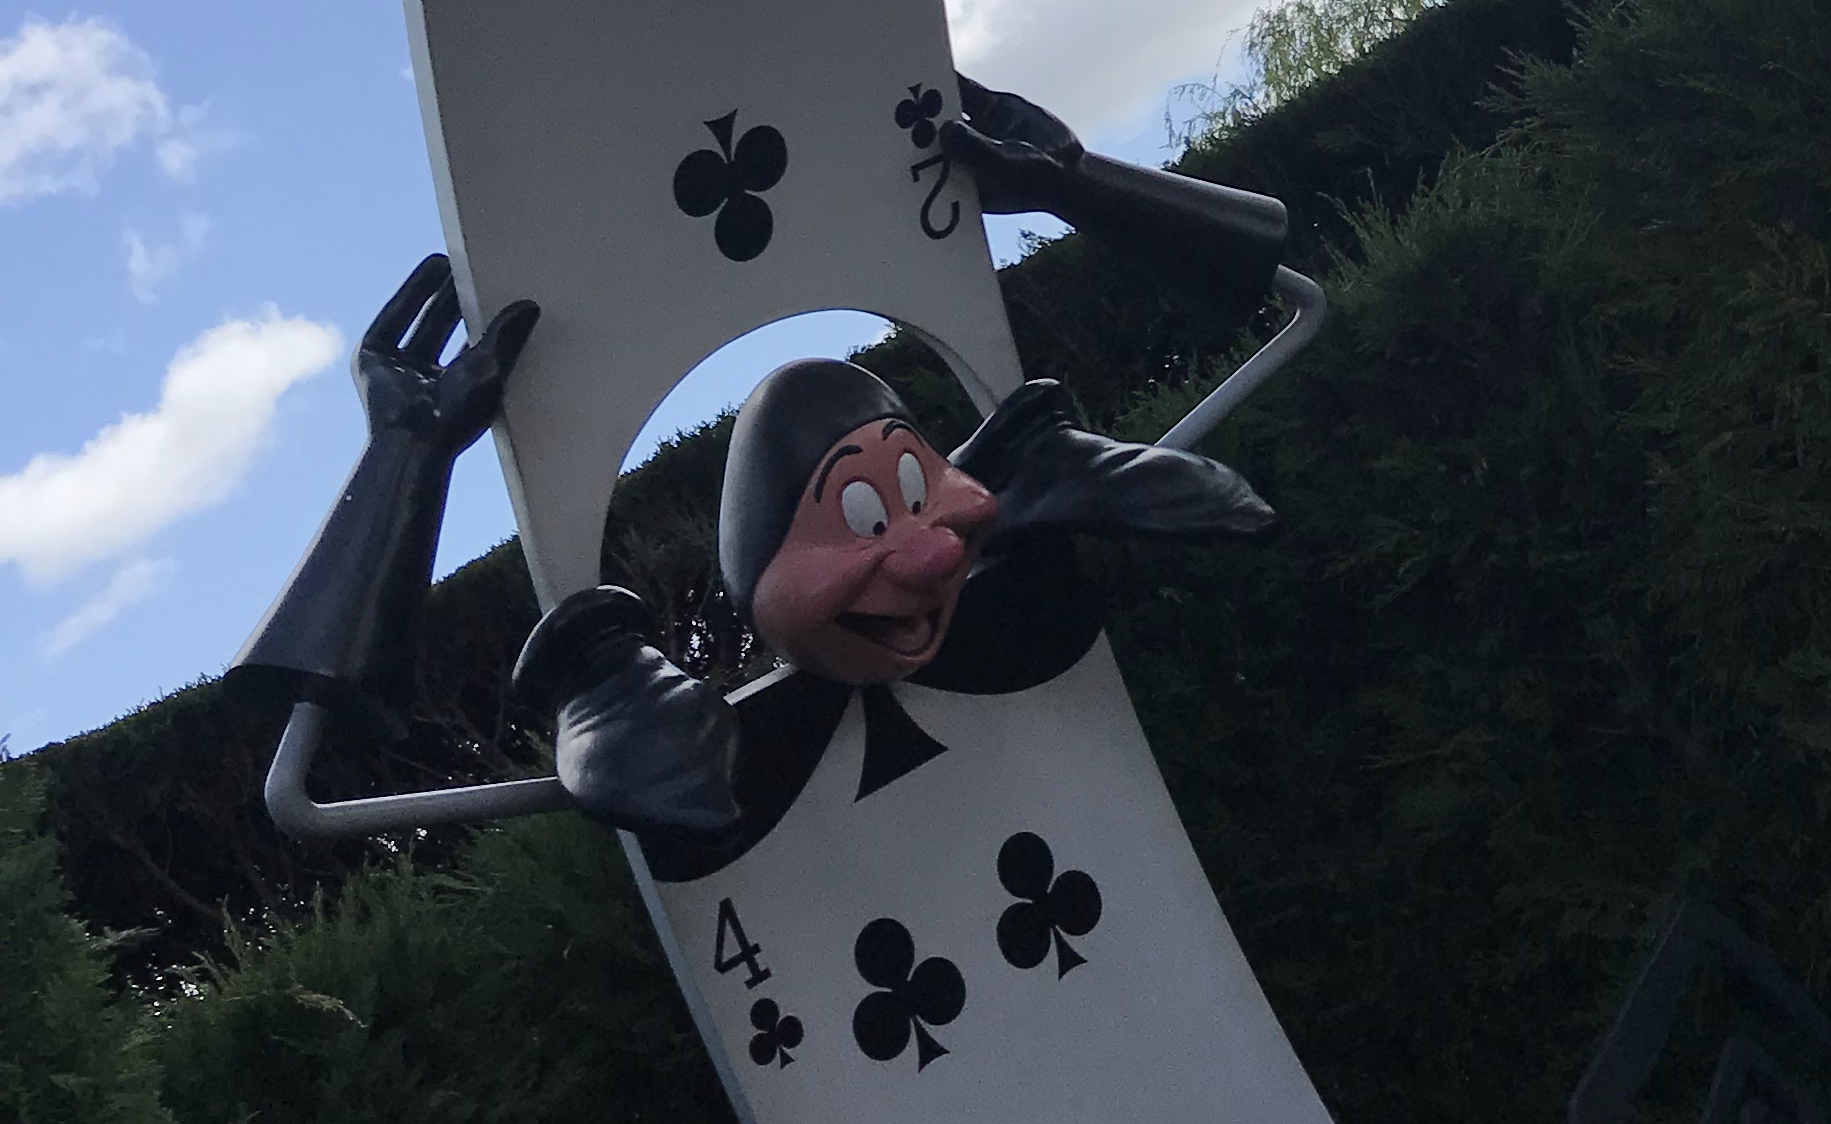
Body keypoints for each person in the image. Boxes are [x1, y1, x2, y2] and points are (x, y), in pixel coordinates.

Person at [245, 259, 1276, 847]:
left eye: (925, 493)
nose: (925, 559)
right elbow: (300, 794)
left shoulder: (1015, 562)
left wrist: (1072, 182)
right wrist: (408, 458)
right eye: (861, 522)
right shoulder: (659, 745)